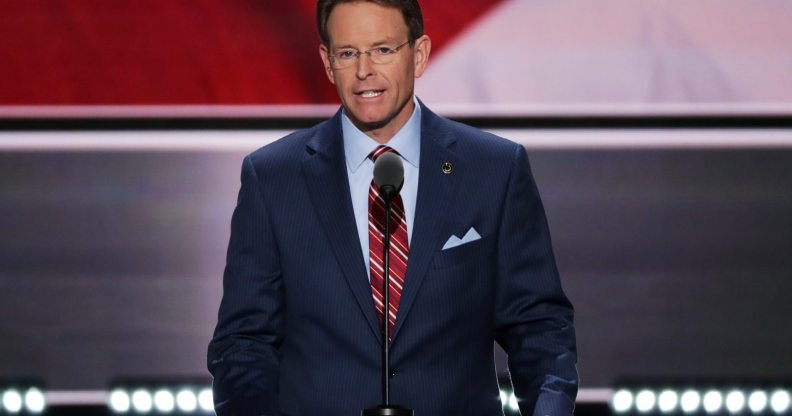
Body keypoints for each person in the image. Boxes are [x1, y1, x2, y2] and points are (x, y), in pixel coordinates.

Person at [207, 0, 578, 415]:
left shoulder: (493, 170)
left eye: (383, 49)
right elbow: (243, 344)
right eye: (348, 53)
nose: (365, 70)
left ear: (418, 55)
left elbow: (540, 330)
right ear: (328, 64)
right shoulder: (273, 178)